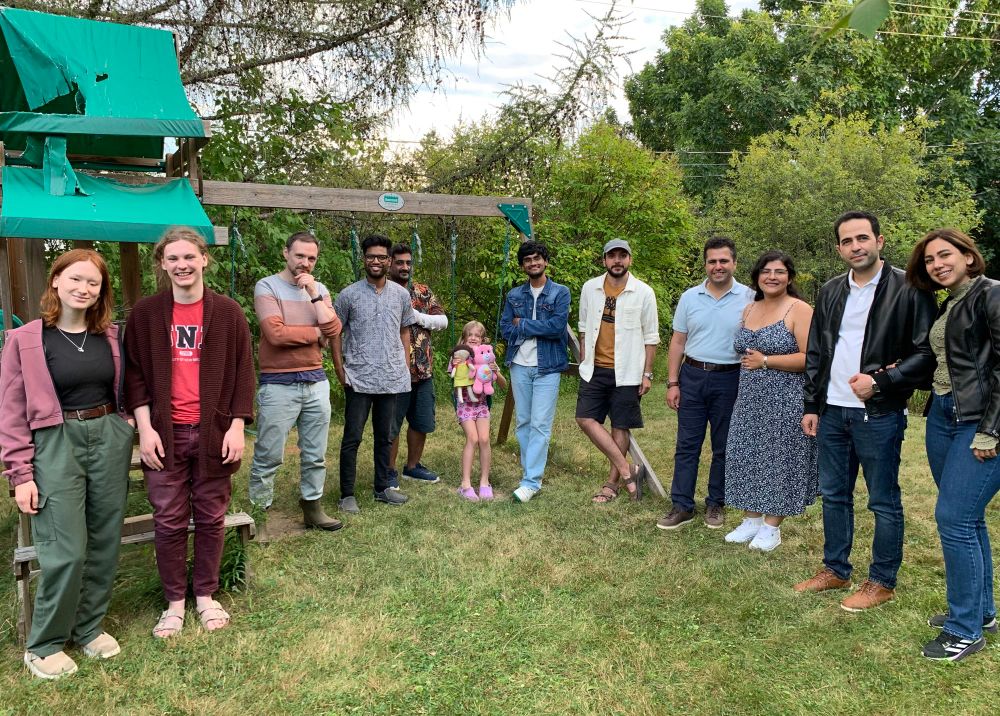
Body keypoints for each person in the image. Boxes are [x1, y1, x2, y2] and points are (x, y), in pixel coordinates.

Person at [0, 250, 135, 679]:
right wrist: (20, 473)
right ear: (56, 281)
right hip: (54, 442)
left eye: (93, 283)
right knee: (65, 548)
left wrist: (126, 425)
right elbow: (10, 409)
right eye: (75, 279)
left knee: (105, 538)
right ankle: (44, 645)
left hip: (107, 435)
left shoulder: (111, 336)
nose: (84, 288)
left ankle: (88, 626)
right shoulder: (24, 340)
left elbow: (127, 387)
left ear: (101, 292)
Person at [794, 211, 936, 611]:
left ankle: (882, 581)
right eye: (847, 241)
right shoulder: (832, 290)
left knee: (882, 499)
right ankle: (836, 569)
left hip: (879, 412)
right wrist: (812, 404)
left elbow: (927, 353)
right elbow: (819, 352)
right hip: (833, 411)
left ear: (880, 241)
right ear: (839, 249)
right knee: (835, 495)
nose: (856, 246)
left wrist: (882, 382)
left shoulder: (910, 288)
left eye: (862, 238)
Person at [125, 227, 255, 638]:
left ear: (204, 259)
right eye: (173, 259)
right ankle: (175, 603)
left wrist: (236, 426)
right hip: (165, 432)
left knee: (212, 516)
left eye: (189, 257)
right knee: (168, 519)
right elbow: (135, 377)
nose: (182, 265)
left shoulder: (228, 312)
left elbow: (242, 374)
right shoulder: (146, 315)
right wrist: (145, 429)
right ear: (162, 264)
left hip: (214, 431)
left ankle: (205, 595)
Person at [905, 228, 1000, 661]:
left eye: (945, 255)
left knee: (954, 519)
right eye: (929, 260)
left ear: (968, 255)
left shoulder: (991, 294)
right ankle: (980, 613)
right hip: (943, 416)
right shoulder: (953, 302)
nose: (937, 264)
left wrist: (991, 429)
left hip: (979, 422)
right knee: (968, 519)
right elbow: (955, 364)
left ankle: (964, 632)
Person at [248, 231, 343, 537]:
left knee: (315, 453)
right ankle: (258, 516)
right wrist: (316, 335)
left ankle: (312, 509)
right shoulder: (267, 286)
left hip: (316, 382)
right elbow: (276, 335)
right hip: (279, 384)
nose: (305, 263)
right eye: (299, 255)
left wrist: (314, 293)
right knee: (269, 454)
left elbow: (334, 327)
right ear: (285, 253)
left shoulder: (319, 289)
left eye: (311, 258)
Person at [722, 251, 817, 551]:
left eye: (779, 271)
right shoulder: (750, 309)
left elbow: (811, 357)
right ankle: (751, 519)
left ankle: (772, 527)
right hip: (750, 396)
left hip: (785, 397)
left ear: (789, 277)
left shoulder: (799, 309)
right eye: (766, 271)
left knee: (780, 458)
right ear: (757, 276)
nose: (772, 277)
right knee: (748, 453)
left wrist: (766, 360)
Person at [658, 236, 752, 530]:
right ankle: (682, 505)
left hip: (731, 377)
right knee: (687, 444)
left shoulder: (750, 298)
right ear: (706, 264)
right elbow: (677, 341)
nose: (718, 266)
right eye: (712, 261)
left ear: (734, 263)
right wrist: (673, 383)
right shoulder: (689, 297)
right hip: (693, 376)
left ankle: (716, 504)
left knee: (724, 445)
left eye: (724, 260)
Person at [332, 234, 416, 512]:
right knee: (352, 437)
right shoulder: (348, 295)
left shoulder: (401, 295)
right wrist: (339, 368)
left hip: (391, 377)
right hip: (359, 377)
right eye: (371, 257)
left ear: (389, 261)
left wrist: (404, 363)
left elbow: (405, 330)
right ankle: (347, 494)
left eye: (381, 257)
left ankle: (382, 487)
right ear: (364, 259)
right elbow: (335, 332)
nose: (376, 261)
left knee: (385, 436)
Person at [576, 239, 659, 504]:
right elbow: (583, 326)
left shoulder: (644, 292)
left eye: (623, 256)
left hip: (628, 370)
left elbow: (651, 337)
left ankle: (612, 484)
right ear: (604, 260)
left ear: (630, 260)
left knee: (620, 425)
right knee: (585, 419)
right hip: (595, 368)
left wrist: (647, 374)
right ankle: (628, 470)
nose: (617, 261)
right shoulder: (590, 288)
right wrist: (584, 358)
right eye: (612, 256)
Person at [499, 240, 570, 503]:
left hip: (548, 366)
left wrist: (525, 324)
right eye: (528, 260)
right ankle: (531, 473)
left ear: (545, 261)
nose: (533, 263)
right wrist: (533, 325)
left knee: (540, 424)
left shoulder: (560, 293)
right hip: (519, 364)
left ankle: (531, 481)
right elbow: (506, 329)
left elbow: (556, 327)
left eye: (537, 258)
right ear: (522, 266)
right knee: (524, 422)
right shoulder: (514, 295)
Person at [387, 243, 447, 487]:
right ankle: (388, 471)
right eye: (399, 262)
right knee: (391, 426)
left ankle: (412, 467)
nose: (404, 267)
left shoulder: (421, 291)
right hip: (392, 372)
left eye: (408, 263)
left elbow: (442, 320)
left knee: (421, 421)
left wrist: (417, 316)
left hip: (423, 370)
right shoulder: (383, 290)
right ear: (389, 262)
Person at [450, 321, 507, 500]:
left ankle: (484, 482)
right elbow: (455, 381)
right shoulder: (460, 357)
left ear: (483, 339)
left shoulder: (487, 357)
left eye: (477, 335)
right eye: (470, 335)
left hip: (481, 404)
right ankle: (465, 484)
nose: (474, 338)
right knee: (472, 439)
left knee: (484, 439)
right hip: (465, 404)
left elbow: (504, 385)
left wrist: (495, 371)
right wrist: (458, 364)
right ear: (465, 338)